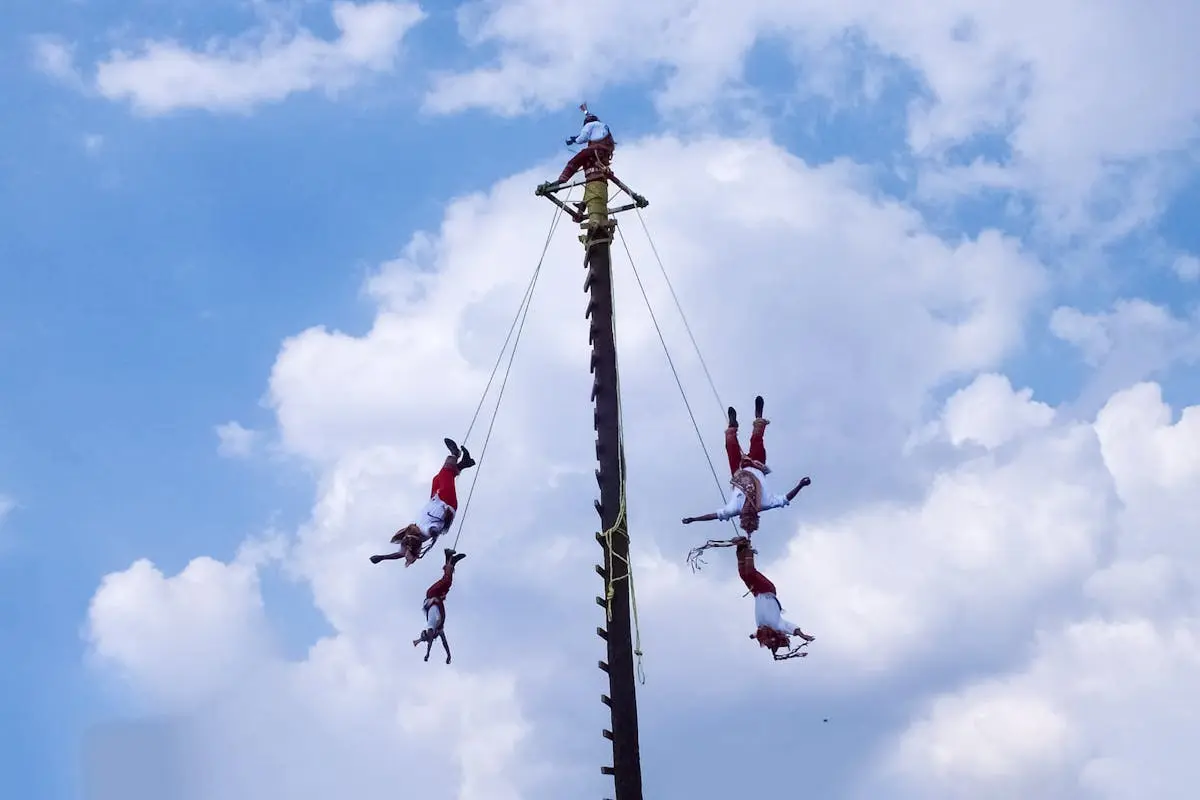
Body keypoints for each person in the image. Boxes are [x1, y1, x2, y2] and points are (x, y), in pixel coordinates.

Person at [680, 396, 810, 535]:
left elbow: (715, 515)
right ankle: (759, 417)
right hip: (757, 464)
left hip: (739, 471)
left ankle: (732, 426)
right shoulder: (765, 503)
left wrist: (694, 519)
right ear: (755, 513)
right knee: (757, 440)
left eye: (744, 512)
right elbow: (786, 499)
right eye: (750, 511)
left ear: (741, 514)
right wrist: (800, 485)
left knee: (730, 444)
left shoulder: (734, 508)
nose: (747, 508)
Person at [369, 437, 475, 567]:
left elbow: (400, 554)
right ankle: (455, 454)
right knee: (445, 473)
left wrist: (382, 558)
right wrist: (435, 535)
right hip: (446, 503)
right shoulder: (425, 531)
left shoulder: (411, 536)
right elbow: (433, 531)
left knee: (437, 479)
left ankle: (465, 463)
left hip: (435, 500)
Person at [536, 105, 618, 246]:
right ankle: (582, 206)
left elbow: (582, 138)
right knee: (591, 186)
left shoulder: (590, 126)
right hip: (602, 157)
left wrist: (574, 140)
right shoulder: (603, 127)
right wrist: (576, 137)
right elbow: (588, 136)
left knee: (574, 162)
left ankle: (560, 181)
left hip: (594, 152)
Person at [733, 535, 814, 659]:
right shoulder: (779, 626)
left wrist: (773, 652)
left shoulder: (760, 628)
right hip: (768, 590)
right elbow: (793, 629)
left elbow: (755, 635)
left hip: (756, 592)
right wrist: (804, 636)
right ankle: (747, 548)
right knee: (750, 572)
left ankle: (740, 548)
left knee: (743, 574)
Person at [412, 547, 467, 664]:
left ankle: (449, 559)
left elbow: (430, 639)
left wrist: (427, 653)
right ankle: (450, 560)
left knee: (446, 581)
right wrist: (449, 655)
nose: (430, 634)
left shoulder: (431, 625)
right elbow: (444, 643)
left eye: (428, 634)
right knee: (448, 582)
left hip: (432, 594)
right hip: (438, 596)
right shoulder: (439, 629)